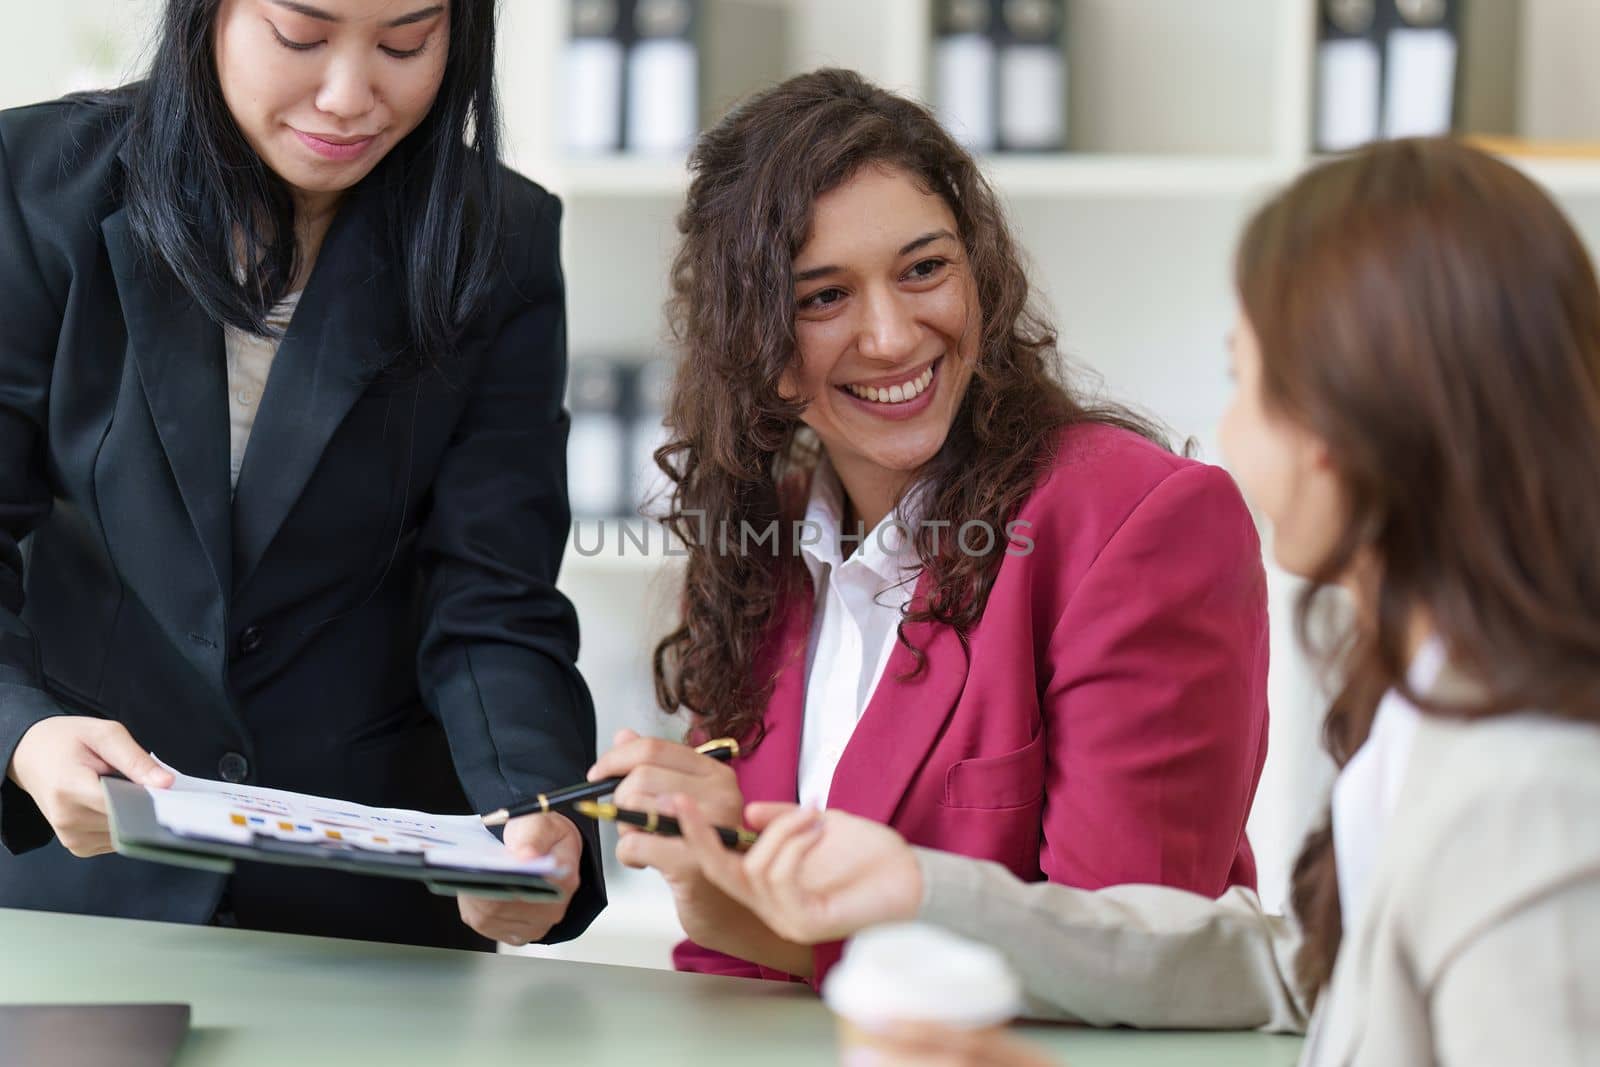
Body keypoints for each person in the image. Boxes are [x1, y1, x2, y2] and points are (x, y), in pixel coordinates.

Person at [673, 137, 1600, 1065]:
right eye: (825, 294)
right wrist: (915, 890)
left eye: (1249, 384)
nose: (1226, 437)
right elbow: (1293, 970)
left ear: (1350, 425)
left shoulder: (1529, 799)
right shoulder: (1435, 715)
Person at [585, 68, 1271, 984]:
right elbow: (729, 964)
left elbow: (1129, 966)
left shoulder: (1143, 525)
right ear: (757, 345)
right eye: (823, 296)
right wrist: (711, 856)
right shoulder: (772, 547)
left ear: (977, 271)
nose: (893, 336)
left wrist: (757, 914)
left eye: (924, 270)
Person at [0, 0, 604, 951]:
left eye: (405, 43)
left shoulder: (502, 239)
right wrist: (22, 737)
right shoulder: (33, 187)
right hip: (79, 891)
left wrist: (538, 812)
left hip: (366, 923)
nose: (350, 96)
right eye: (303, 36)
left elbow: (493, 591)